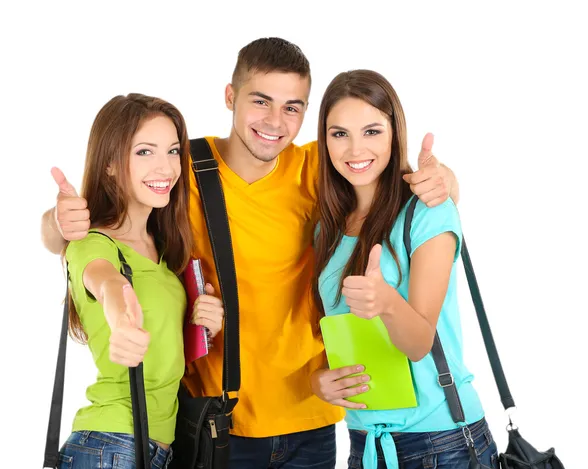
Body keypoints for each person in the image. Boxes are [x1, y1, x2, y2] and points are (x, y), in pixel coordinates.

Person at [40, 38, 460, 469]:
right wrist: (57, 223)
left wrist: (444, 178)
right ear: (230, 97)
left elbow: (396, 179)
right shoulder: (177, 169)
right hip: (217, 421)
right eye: (261, 101)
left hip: (312, 417)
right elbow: (91, 233)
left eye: (293, 107)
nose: (275, 121)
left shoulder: (321, 167)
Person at [310, 69, 498, 469]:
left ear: (396, 133)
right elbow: (336, 333)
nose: (355, 148)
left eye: (372, 131)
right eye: (339, 133)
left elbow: (418, 343)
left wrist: (388, 303)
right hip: (366, 443)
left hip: (442, 442)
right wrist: (319, 381)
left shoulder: (429, 211)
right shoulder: (326, 228)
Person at [53, 93, 224, 469]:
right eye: (145, 152)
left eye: (173, 151)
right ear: (111, 164)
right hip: (111, 445)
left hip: (154, 447)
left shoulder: (162, 251)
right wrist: (122, 319)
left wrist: (201, 322)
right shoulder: (93, 243)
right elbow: (106, 283)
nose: (165, 167)